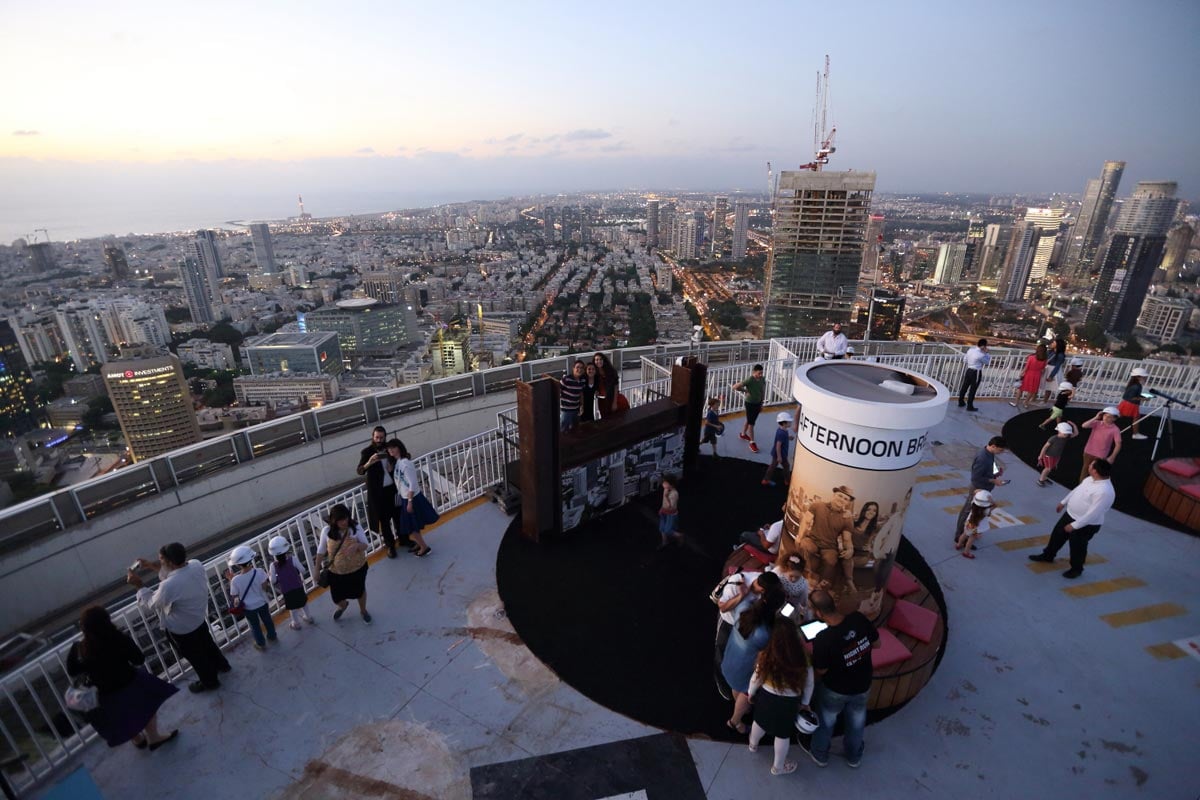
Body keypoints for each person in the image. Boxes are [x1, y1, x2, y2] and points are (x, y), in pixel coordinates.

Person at [67, 606, 179, 750]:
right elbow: (138, 659)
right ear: (107, 620)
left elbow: (72, 671)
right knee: (147, 705)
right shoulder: (119, 637)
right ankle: (153, 737)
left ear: (84, 627)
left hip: (103, 694)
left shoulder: (79, 648)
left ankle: (137, 739)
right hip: (130, 683)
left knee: (120, 717)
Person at [128, 542, 230, 694]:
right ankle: (222, 665)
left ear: (169, 562)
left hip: (183, 629)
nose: (159, 562)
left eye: (161, 559)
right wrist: (151, 566)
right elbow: (172, 574)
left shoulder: (169, 586)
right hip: (199, 618)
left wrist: (139, 586)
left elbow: (151, 603)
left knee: (196, 657)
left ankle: (210, 682)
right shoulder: (196, 565)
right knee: (208, 644)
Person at [806, 589, 879, 768]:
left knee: (826, 721)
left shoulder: (823, 638)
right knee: (857, 721)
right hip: (863, 684)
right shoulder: (858, 619)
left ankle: (820, 754)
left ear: (818, 613)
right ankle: (854, 756)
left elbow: (821, 671)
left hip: (835, 689)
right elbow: (877, 644)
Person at [1029, 459, 1116, 579]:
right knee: (1057, 536)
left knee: (1078, 547)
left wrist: (1075, 525)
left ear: (1095, 471)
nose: (1088, 466)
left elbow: (1093, 513)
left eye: (1091, 465)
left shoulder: (1104, 491)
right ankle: (1048, 556)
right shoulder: (1090, 479)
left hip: (1086, 524)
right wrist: (1064, 502)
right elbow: (1077, 490)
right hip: (1070, 515)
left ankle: (1076, 569)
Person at [747, 623, 815, 776]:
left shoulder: (767, 653)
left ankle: (753, 745)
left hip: (766, 696)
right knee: (783, 734)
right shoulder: (803, 656)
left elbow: (757, 677)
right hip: (789, 702)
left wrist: (751, 693)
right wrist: (805, 703)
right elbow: (810, 682)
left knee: (759, 721)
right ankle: (778, 767)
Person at [721, 572, 785, 734]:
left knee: (736, 687)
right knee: (745, 693)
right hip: (744, 672)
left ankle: (738, 704)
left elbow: (745, 601)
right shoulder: (765, 633)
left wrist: (744, 593)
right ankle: (735, 721)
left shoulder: (744, 611)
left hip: (729, 662)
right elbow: (763, 659)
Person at [315, 504, 372, 623]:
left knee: (359, 591)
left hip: (357, 569)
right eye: (340, 520)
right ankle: (343, 605)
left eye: (345, 518)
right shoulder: (327, 531)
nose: (344, 522)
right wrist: (316, 570)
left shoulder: (355, 528)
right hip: (336, 572)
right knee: (336, 597)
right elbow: (321, 551)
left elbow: (366, 545)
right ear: (334, 521)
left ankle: (363, 610)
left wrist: (357, 546)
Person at [713, 569, 765, 700]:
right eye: (762, 591)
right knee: (721, 650)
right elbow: (723, 607)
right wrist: (742, 595)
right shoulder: (736, 583)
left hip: (744, 626)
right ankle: (722, 683)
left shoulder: (765, 588)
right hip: (728, 622)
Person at [357, 425, 402, 559]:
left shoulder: (389, 448)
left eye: (381, 438)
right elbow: (360, 470)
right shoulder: (367, 452)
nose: (379, 440)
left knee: (398, 515)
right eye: (377, 437)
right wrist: (369, 462)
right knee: (384, 520)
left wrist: (392, 466)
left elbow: (402, 457)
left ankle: (404, 539)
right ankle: (390, 546)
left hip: (393, 489)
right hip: (379, 493)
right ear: (373, 437)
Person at [955, 436, 1009, 543]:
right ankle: (960, 535)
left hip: (983, 488)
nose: (1001, 452)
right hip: (977, 488)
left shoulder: (989, 453)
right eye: (1000, 450)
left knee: (972, 511)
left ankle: (967, 533)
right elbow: (976, 477)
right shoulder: (982, 458)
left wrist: (996, 472)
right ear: (993, 446)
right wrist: (994, 481)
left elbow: (991, 465)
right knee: (968, 511)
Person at [800, 486, 856, 591]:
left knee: (831, 560)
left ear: (848, 502)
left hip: (830, 547)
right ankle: (807, 575)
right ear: (834, 495)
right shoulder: (817, 506)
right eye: (840, 495)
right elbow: (806, 521)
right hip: (813, 540)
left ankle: (823, 586)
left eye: (846, 499)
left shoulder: (847, 518)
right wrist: (800, 536)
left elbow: (847, 539)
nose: (842, 499)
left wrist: (850, 549)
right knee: (804, 545)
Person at [389, 439, 436, 557]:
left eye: (393, 448)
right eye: (389, 449)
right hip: (406, 498)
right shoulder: (398, 462)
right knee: (412, 525)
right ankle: (420, 544)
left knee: (412, 526)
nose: (390, 450)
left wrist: (409, 501)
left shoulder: (405, 463)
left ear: (399, 448)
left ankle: (424, 547)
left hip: (411, 498)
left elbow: (413, 483)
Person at [225, 545, 276, 651]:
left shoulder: (235, 580)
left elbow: (234, 594)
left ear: (238, 565)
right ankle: (272, 636)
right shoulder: (260, 571)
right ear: (251, 559)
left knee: (255, 626)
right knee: (267, 620)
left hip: (249, 608)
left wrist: (231, 579)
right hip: (262, 602)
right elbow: (264, 588)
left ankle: (261, 644)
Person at [268, 536, 314, 630]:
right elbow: (303, 570)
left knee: (292, 607)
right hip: (298, 586)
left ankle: (296, 623)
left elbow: (272, 581)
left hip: (286, 590)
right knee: (303, 602)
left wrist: (270, 576)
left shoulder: (273, 565)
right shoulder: (293, 559)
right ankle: (308, 617)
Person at [1079, 407, 1121, 483]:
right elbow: (1084, 425)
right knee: (1085, 468)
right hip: (1088, 450)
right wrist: (1095, 417)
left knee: (1096, 472)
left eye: (1109, 416)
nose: (1105, 418)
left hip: (1101, 455)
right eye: (1105, 415)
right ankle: (1080, 485)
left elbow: (1118, 444)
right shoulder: (1097, 423)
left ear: (1114, 419)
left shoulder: (1115, 429)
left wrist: (1112, 457)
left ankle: (1092, 486)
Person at [732, 364, 766, 453]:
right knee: (751, 423)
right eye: (759, 373)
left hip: (758, 403)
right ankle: (752, 442)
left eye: (762, 373)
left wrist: (762, 403)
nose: (761, 375)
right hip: (750, 404)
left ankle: (743, 434)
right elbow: (735, 386)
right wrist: (745, 391)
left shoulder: (762, 379)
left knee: (749, 419)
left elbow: (762, 391)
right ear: (754, 372)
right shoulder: (750, 379)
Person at [845, 501, 879, 584]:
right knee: (845, 560)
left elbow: (872, 543)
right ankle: (847, 585)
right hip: (851, 550)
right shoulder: (854, 523)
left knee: (848, 562)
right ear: (864, 511)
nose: (871, 512)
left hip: (862, 554)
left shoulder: (875, 528)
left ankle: (849, 585)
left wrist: (870, 548)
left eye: (874, 510)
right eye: (869, 509)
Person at [954, 490, 995, 558]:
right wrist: (990, 500)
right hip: (976, 528)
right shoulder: (986, 511)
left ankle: (958, 545)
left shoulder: (973, 504)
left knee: (964, 534)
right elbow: (995, 505)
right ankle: (966, 552)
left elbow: (974, 495)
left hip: (969, 523)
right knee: (971, 539)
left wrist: (978, 492)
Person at [1037, 422, 1078, 487]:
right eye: (1065, 433)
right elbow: (1045, 447)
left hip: (1056, 456)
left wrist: (1074, 425)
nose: (1066, 435)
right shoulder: (1053, 438)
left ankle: (1044, 477)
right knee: (1048, 468)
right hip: (1049, 456)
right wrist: (1040, 456)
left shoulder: (1066, 437)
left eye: (1067, 434)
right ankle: (1041, 480)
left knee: (1050, 467)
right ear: (1059, 431)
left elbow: (1076, 434)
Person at [770, 553, 810, 621]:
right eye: (791, 576)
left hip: (790, 607)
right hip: (775, 602)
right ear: (785, 569)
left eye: (797, 577)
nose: (793, 579)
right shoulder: (778, 573)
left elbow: (804, 602)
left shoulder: (804, 584)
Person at [1010, 342, 1047, 409]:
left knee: (1020, 389)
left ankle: (1016, 402)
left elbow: (1026, 367)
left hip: (1028, 374)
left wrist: (1021, 373)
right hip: (1037, 376)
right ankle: (1026, 403)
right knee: (1031, 390)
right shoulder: (1044, 360)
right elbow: (1043, 369)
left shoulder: (1031, 357)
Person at [957, 338, 989, 412]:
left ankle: (961, 402)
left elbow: (965, 360)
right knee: (973, 389)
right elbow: (987, 362)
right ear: (983, 346)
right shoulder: (981, 354)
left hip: (969, 370)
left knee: (964, 386)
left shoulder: (970, 350)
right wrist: (986, 353)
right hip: (976, 372)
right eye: (986, 346)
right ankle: (970, 406)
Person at [762, 412, 793, 487]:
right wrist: (779, 457)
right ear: (784, 423)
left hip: (778, 454)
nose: (791, 423)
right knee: (786, 466)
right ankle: (787, 481)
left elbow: (781, 440)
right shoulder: (782, 433)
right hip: (780, 455)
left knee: (773, 466)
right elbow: (778, 445)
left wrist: (788, 438)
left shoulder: (782, 430)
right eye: (789, 422)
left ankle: (766, 480)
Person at [1119, 367, 1150, 440]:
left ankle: (1104, 424)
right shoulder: (1136, 386)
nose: (1145, 378)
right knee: (1136, 418)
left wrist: (1143, 396)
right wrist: (1144, 398)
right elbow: (1132, 397)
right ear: (1138, 377)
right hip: (1131, 404)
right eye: (1144, 377)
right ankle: (1135, 434)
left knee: (1118, 415)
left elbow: (1131, 395)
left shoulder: (1134, 385)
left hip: (1126, 403)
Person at [559, 359, 587, 431]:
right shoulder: (566, 379)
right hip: (566, 411)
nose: (579, 369)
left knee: (575, 429)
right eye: (577, 367)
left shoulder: (582, 380)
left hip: (576, 410)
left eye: (581, 368)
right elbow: (558, 391)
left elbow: (581, 394)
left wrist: (582, 406)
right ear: (573, 368)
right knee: (564, 430)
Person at [657, 473, 682, 549]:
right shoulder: (666, 489)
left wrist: (666, 496)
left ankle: (680, 536)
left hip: (671, 514)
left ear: (671, 484)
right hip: (664, 512)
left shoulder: (674, 494)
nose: (663, 484)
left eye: (665, 483)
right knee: (662, 528)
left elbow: (670, 507)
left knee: (668, 530)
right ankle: (664, 542)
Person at [1041, 337, 1068, 402]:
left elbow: (1057, 366)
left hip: (1053, 370)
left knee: (1049, 386)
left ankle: (1045, 401)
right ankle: (1040, 399)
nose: (1052, 343)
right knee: (1044, 384)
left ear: (1058, 344)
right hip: (1047, 368)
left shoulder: (1060, 355)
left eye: (1054, 342)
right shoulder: (1050, 352)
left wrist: (1051, 376)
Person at [593, 352, 618, 419]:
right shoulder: (594, 373)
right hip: (602, 400)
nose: (598, 361)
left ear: (604, 360)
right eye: (596, 360)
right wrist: (595, 391)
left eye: (600, 359)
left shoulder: (611, 371)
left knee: (614, 417)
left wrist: (614, 402)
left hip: (611, 398)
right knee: (604, 417)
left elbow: (616, 386)